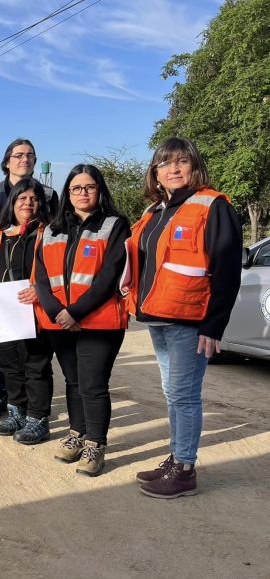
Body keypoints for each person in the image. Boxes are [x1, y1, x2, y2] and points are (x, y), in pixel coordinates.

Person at [125, 137, 241, 498]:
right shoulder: (154, 211)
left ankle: (185, 469)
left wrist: (214, 325)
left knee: (184, 394)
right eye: (164, 163)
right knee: (172, 392)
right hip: (159, 316)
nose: (173, 169)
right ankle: (176, 457)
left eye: (181, 162)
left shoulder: (212, 206)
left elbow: (227, 269)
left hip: (190, 319)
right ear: (155, 172)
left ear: (194, 166)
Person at [34, 164, 130, 476]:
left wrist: (74, 312)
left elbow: (109, 276)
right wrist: (58, 313)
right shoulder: (51, 229)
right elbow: (41, 279)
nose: (83, 193)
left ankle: (96, 444)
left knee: (92, 384)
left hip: (100, 322)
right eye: (76, 188)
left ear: (99, 190)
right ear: (68, 193)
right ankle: (77, 433)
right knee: (73, 382)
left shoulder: (115, 225)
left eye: (89, 187)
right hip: (60, 322)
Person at [0, 138, 58, 418]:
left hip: (32, 297)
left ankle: (36, 414)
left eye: (30, 155)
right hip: (3, 299)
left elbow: (57, 247)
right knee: (3, 354)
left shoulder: (48, 196)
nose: (24, 159)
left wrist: (44, 289)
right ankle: (6, 399)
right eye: (18, 155)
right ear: (7, 160)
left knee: (36, 359)